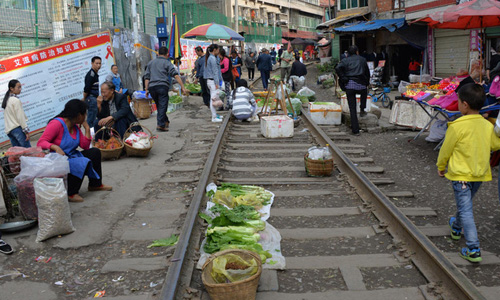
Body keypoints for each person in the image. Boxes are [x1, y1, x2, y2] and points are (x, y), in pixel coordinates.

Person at [437, 83, 500, 263]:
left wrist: (441, 166)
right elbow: (496, 145)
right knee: (465, 205)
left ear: (464, 104)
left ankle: (473, 248)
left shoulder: (456, 126)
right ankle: (456, 228)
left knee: (466, 209)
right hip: (479, 174)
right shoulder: (488, 126)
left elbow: (445, 150)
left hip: (461, 176)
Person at [37, 100, 112, 203]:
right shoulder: (56, 124)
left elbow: (85, 146)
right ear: (78, 115)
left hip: (71, 156)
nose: (85, 116)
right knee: (81, 162)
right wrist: (55, 147)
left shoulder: (75, 126)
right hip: (57, 160)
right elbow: (41, 142)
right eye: (84, 114)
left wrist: (86, 128)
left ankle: (95, 184)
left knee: (94, 152)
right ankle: (71, 193)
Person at [144, 46, 187, 132]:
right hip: (162, 86)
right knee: (163, 106)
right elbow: (176, 75)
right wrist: (182, 87)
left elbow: (147, 77)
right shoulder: (167, 63)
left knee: (160, 106)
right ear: (167, 54)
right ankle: (160, 125)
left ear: (158, 53)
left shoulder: (150, 63)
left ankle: (165, 121)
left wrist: (146, 89)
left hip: (152, 87)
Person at [335, 45, 370, 135]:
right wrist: (366, 83)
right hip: (361, 85)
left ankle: (355, 130)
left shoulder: (345, 60)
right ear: (357, 52)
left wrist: (343, 77)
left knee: (352, 109)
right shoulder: (362, 59)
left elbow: (338, 68)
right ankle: (362, 109)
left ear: (348, 53)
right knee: (364, 92)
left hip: (350, 86)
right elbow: (367, 72)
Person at [2, 79, 31, 147]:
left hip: (10, 131)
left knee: (18, 154)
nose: (20, 89)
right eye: (18, 87)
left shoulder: (7, 100)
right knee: (28, 152)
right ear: (11, 88)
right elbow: (20, 117)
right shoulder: (15, 100)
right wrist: (26, 131)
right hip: (17, 129)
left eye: (20, 87)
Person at [204, 44, 224, 122]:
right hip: (213, 81)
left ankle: (215, 114)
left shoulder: (212, 58)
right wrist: (217, 83)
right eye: (218, 49)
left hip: (211, 81)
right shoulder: (212, 59)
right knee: (213, 100)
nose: (219, 51)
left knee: (213, 98)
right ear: (215, 50)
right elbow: (215, 72)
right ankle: (214, 117)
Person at [82, 56, 102, 129]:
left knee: (94, 118)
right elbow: (86, 89)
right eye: (96, 63)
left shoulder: (95, 74)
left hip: (93, 98)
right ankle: (91, 136)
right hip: (91, 99)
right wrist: (84, 98)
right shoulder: (91, 75)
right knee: (91, 120)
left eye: (100, 63)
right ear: (92, 63)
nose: (98, 65)